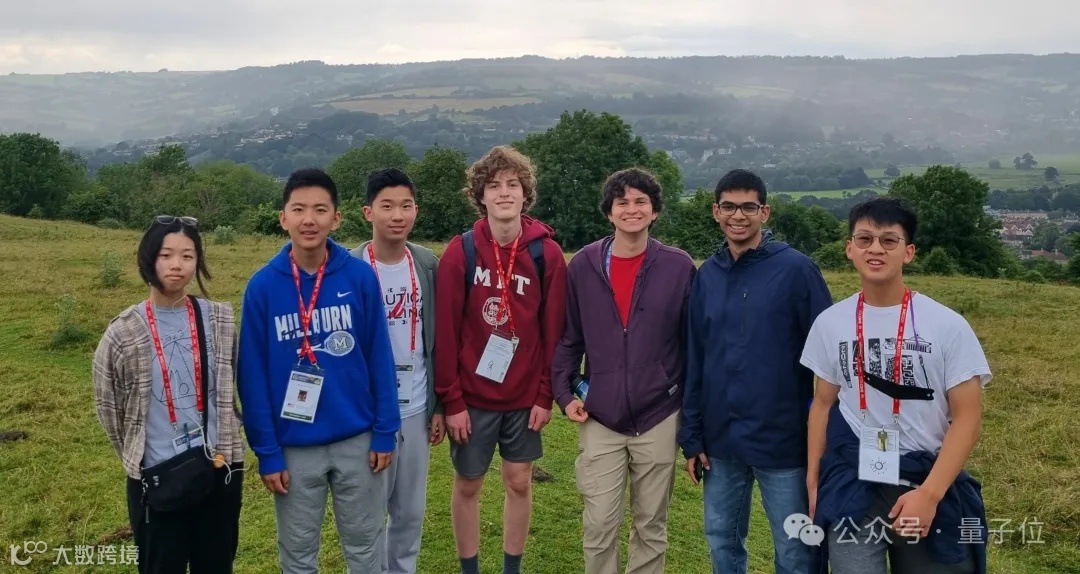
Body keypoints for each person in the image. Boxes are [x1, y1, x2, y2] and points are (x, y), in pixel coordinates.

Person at [800, 197, 992, 574]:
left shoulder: (947, 326)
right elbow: (822, 403)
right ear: (850, 248)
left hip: (923, 480)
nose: (875, 249)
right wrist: (814, 477)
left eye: (889, 240)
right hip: (854, 482)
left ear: (909, 252)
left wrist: (930, 495)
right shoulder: (830, 323)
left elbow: (967, 419)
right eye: (865, 239)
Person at [236, 167, 400, 574]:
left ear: (336, 218)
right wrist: (267, 452)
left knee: (365, 548)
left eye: (320, 210)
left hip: (358, 441)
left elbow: (379, 356)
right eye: (299, 209)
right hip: (293, 447)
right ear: (283, 218)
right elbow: (252, 378)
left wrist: (385, 430)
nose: (309, 220)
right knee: (297, 555)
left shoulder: (359, 277)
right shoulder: (262, 287)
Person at [678, 168, 833, 574]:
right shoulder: (707, 275)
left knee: (796, 549)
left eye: (748, 207)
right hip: (721, 440)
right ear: (715, 211)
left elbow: (830, 360)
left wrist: (826, 436)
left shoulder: (797, 271)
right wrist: (691, 434)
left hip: (783, 441)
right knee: (722, 542)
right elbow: (696, 357)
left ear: (764, 212)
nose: (738, 215)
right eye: (729, 206)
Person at [551, 168, 696, 574]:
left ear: (654, 211)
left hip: (659, 414)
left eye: (641, 202)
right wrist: (564, 394)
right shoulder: (583, 265)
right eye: (622, 202)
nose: (632, 209)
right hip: (601, 414)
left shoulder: (678, 266)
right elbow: (569, 337)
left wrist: (688, 406)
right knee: (599, 525)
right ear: (609, 212)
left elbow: (692, 343)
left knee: (651, 525)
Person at [434, 145, 567, 574]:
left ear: (526, 193)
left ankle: (512, 568)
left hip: (524, 397)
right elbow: (446, 332)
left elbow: (553, 333)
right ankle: (469, 569)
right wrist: (452, 400)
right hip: (472, 398)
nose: (504, 192)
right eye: (494, 186)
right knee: (468, 484)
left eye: (513, 184)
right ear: (481, 195)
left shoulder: (547, 255)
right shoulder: (461, 251)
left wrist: (545, 395)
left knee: (519, 482)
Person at [92, 215, 245, 573]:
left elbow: (234, 384)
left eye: (188, 256)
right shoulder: (123, 332)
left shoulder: (218, 318)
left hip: (218, 468)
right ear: (148, 259)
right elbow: (108, 406)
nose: (177, 265)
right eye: (166, 255)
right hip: (156, 477)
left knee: (216, 564)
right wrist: (138, 454)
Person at [350, 167, 445, 574]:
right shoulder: (348, 267)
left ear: (416, 211)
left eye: (406, 206)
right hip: (366, 413)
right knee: (367, 513)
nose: (397, 215)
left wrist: (439, 405)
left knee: (409, 513)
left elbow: (438, 339)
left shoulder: (427, 265)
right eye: (387, 206)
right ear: (367, 212)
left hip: (416, 407)